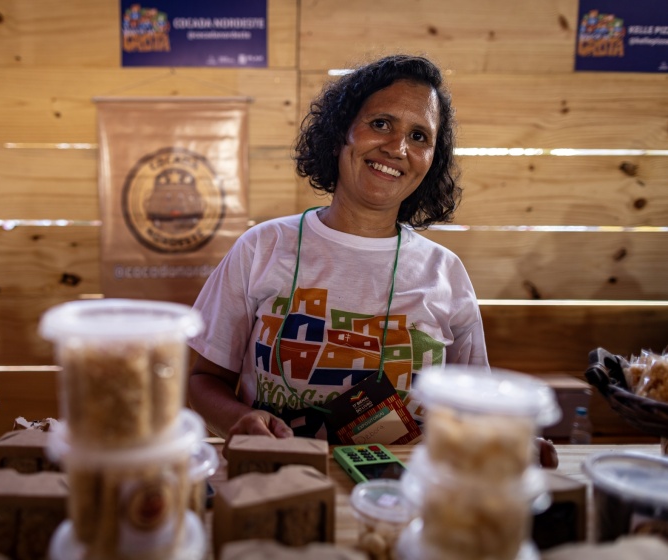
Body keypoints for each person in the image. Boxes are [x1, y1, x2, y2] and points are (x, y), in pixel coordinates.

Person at [187, 53, 556, 467]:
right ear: (340, 132)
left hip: (404, 496)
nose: (397, 148)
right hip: (278, 483)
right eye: (381, 123)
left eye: (419, 136)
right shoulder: (263, 248)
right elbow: (203, 381)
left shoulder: (445, 273)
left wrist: (506, 440)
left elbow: (473, 410)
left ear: (431, 159)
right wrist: (239, 419)